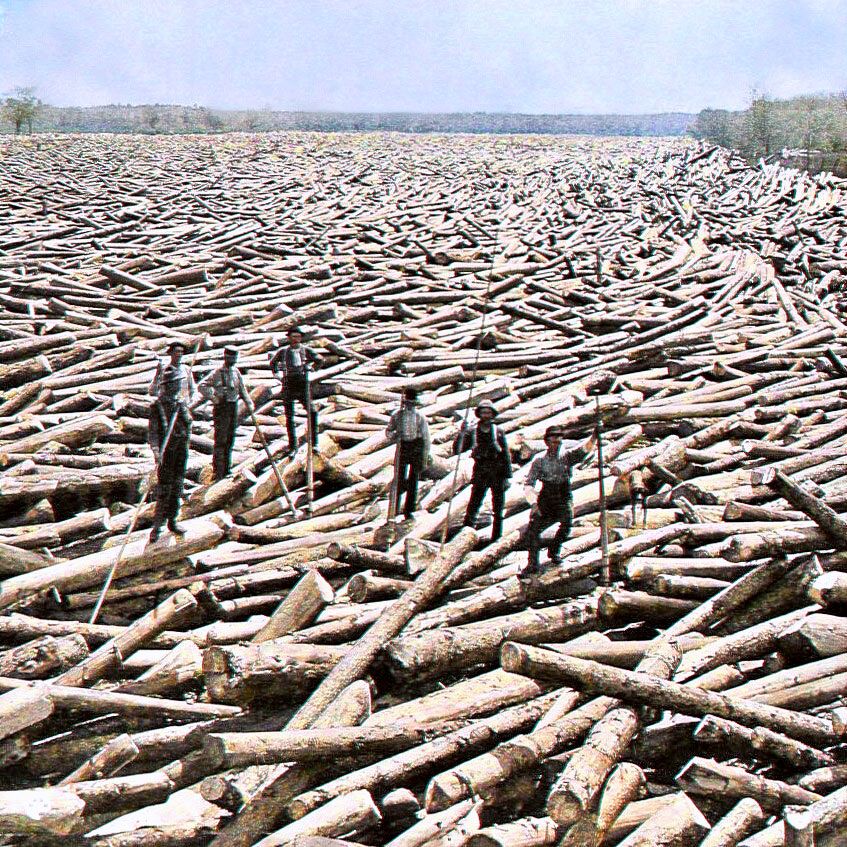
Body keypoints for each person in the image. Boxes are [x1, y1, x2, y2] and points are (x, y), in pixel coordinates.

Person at [523, 424, 597, 574]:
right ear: (547, 442)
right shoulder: (539, 460)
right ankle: (532, 563)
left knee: (567, 523)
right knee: (533, 530)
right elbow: (529, 483)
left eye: (559, 440)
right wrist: (533, 504)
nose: (556, 443)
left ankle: (554, 550)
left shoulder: (567, 456)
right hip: (546, 496)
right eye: (553, 440)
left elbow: (584, 449)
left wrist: (594, 436)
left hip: (563, 494)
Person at [147, 341, 196, 542]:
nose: (177, 388)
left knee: (177, 485)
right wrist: (157, 452)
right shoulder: (158, 406)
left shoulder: (179, 404)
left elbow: (189, 422)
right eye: (175, 385)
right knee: (164, 488)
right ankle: (157, 526)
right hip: (166, 451)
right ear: (167, 386)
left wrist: (183, 411)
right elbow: (152, 433)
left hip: (180, 447)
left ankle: (172, 521)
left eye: (178, 385)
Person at [453, 399, 512, 541]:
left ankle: (496, 536)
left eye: (488, 413)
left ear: (492, 415)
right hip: (480, 470)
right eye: (483, 412)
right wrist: (461, 433)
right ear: (479, 414)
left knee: (498, 506)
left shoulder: (498, 431)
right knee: (474, 503)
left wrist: (507, 475)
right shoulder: (472, 431)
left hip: (497, 472)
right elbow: (458, 449)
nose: (486, 415)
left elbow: (505, 454)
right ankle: (466, 533)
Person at [193, 346, 255, 481]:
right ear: (225, 357)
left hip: (232, 407)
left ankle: (227, 468)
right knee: (220, 439)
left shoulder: (236, 372)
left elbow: (242, 389)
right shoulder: (217, 372)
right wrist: (214, 397)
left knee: (230, 439)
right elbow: (202, 386)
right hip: (221, 408)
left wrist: (249, 402)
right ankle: (218, 471)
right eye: (230, 357)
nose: (232, 360)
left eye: (234, 358)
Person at [269, 327, 320, 455]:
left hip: (302, 384)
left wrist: (312, 368)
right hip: (288, 384)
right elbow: (273, 363)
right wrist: (277, 375)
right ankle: (293, 446)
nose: (296, 339)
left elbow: (319, 359)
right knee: (289, 416)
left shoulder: (306, 350)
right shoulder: (283, 352)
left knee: (312, 412)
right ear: (289, 338)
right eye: (293, 337)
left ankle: (315, 444)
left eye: (298, 337)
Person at [385, 387, 431, 519]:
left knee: (413, 479)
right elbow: (388, 431)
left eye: (412, 404)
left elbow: (426, 437)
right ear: (405, 404)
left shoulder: (420, 417)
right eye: (408, 404)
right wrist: (394, 435)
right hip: (403, 446)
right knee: (399, 477)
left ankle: (408, 510)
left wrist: (425, 455)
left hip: (416, 446)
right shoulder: (397, 415)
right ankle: (394, 508)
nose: (409, 407)